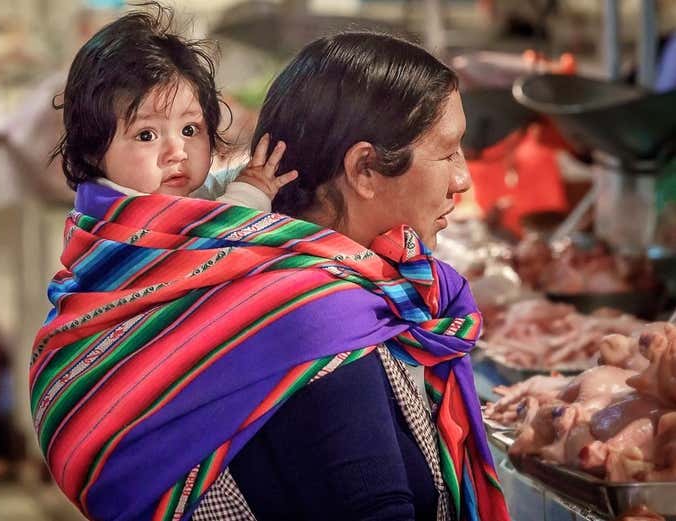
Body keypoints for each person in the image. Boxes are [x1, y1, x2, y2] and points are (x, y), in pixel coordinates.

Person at [30, 31, 510, 521]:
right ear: (364, 169)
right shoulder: (315, 318)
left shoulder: (314, 286)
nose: (463, 179)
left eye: (191, 130)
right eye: (449, 152)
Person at [51, 3, 297, 210]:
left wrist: (250, 175)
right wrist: (251, 195)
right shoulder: (124, 217)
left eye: (189, 130)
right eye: (146, 135)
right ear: (92, 150)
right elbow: (210, 242)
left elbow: (209, 188)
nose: (177, 152)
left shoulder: (156, 189)